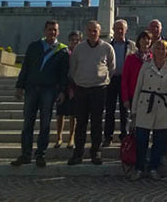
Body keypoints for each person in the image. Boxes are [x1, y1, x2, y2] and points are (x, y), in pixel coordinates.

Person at [11, 20, 69, 168]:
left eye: (55, 30)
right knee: (28, 123)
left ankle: (40, 154)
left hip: (49, 90)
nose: (52, 32)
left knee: (45, 124)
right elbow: (26, 67)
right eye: (50, 29)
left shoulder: (62, 50)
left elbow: (64, 74)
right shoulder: (34, 46)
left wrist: (62, 91)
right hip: (31, 88)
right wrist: (19, 86)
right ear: (45, 31)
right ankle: (26, 154)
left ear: (58, 32)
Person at [67, 20, 115, 166]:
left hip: (99, 89)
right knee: (80, 122)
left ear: (99, 32)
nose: (92, 33)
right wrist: (80, 80)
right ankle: (78, 153)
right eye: (90, 30)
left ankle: (96, 152)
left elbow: (111, 68)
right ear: (86, 32)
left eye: (95, 30)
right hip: (81, 89)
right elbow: (73, 67)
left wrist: (102, 79)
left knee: (97, 123)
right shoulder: (79, 48)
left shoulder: (107, 48)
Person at [130, 40, 167, 181]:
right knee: (141, 139)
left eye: (163, 48)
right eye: (157, 48)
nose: (160, 51)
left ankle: (153, 168)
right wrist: (134, 110)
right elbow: (138, 87)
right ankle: (139, 168)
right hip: (145, 104)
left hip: (162, 105)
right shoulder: (146, 65)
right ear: (153, 50)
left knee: (159, 140)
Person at [103, 20, 137, 147]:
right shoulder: (107, 46)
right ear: (113, 29)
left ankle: (124, 135)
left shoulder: (132, 46)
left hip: (126, 80)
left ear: (126, 30)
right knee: (110, 109)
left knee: (125, 110)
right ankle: (108, 136)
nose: (119, 31)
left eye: (122, 28)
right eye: (117, 28)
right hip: (111, 80)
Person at [54, 30, 83, 149]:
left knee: (73, 114)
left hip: (76, 87)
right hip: (63, 87)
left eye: (77, 40)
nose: (74, 42)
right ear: (69, 41)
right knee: (60, 113)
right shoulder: (63, 53)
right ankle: (59, 137)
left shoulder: (82, 54)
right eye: (72, 40)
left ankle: (71, 137)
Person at [121, 31, 152, 111]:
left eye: (148, 39)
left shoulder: (154, 58)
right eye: (143, 38)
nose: (146, 41)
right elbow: (125, 79)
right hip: (134, 94)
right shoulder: (130, 58)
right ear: (139, 41)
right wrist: (125, 98)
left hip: (150, 94)